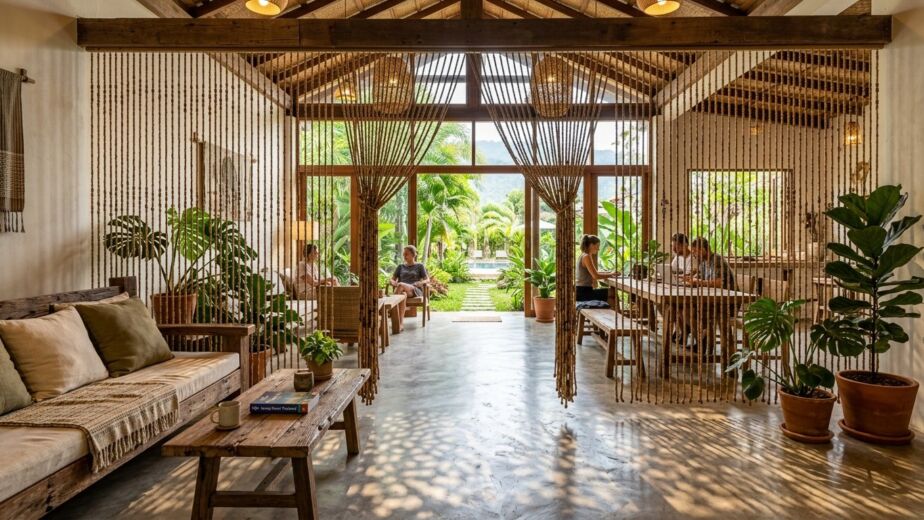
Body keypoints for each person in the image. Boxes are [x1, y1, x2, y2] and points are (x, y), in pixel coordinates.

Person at [576, 235, 615, 302]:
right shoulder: (586, 256)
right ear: (591, 245)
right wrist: (611, 274)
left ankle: (612, 312)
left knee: (611, 294)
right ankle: (615, 312)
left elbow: (594, 272)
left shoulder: (583, 255)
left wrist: (610, 273)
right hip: (584, 293)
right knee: (612, 293)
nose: (598, 249)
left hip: (582, 291)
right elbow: (596, 276)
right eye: (597, 246)